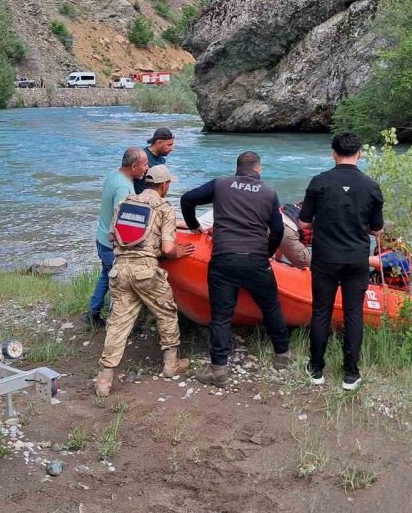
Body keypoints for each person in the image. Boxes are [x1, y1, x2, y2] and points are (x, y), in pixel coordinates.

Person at [181, 151, 292, 387]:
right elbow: (278, 230)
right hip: (256, 259)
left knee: (221, 315)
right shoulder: (269, 192)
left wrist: (194, 225)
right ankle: (282, 356)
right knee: (271, 307)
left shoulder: (220, 184)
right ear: (258, 170)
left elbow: (187, 199)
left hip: (224, 258)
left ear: (237, 168)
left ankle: (219, 370)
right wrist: (267, 253)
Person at [94, 165, 195, 396]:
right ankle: (171, 365)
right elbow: (168, 249)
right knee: (166, 313)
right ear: (164, 185)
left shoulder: (125, 203)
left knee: (118, 324)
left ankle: (104, 380)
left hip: (120, 271)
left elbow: (113, 236)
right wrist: (178, 252)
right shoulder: (164, 208)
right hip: (146, 272)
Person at [298, 131, 384, 391]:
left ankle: (316, 370)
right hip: (357, 259)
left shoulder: (319, 182)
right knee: (353, 313)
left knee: (321, 311)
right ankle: (350, 375)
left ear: (333, 154)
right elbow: (377, 230)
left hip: (325, 257)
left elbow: (303, 223)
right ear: (360, 154)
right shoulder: (371, 186)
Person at [88, 147, 149, 329]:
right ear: (134, 166)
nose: (147, 169)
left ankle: (93, 312)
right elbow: (120, 221)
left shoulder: (113, 175)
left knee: (106, 276)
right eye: (145, 165)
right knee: (120, 286)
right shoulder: (123, 187)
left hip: (102, 238)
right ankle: (118, 325)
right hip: (111, 245)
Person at [133, 127, 175, 194]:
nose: (172, 149)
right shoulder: (142, 157)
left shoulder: (162, 160)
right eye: (169, 145)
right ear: (159, 143)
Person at [275, 202, 311, 268]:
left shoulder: (297, 205)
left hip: (268, 223)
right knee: (309, 267)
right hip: (287, 231)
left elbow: (281, 240)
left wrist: (277, 261)